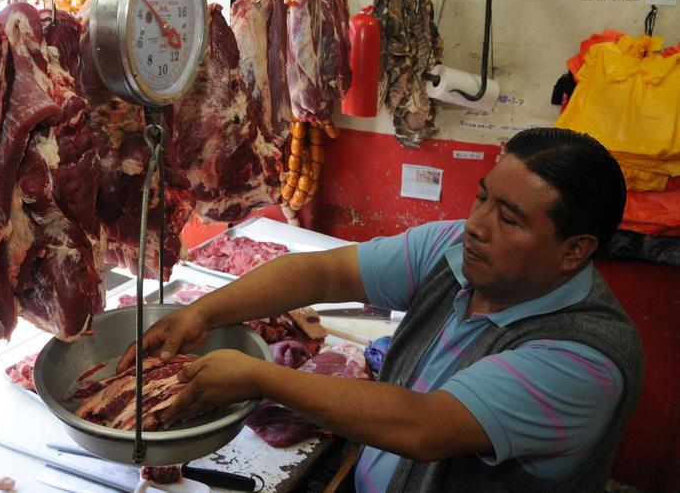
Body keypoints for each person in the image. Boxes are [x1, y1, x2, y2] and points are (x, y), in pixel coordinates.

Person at [117, 127, 643, 493]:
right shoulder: (457, 250)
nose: (478, 224)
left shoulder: (583, 359)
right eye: (482, 198)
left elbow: (425, 426)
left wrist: (260, 378)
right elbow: (324, 272)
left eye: (509, 218)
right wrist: (203, 314)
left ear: (575, 250)